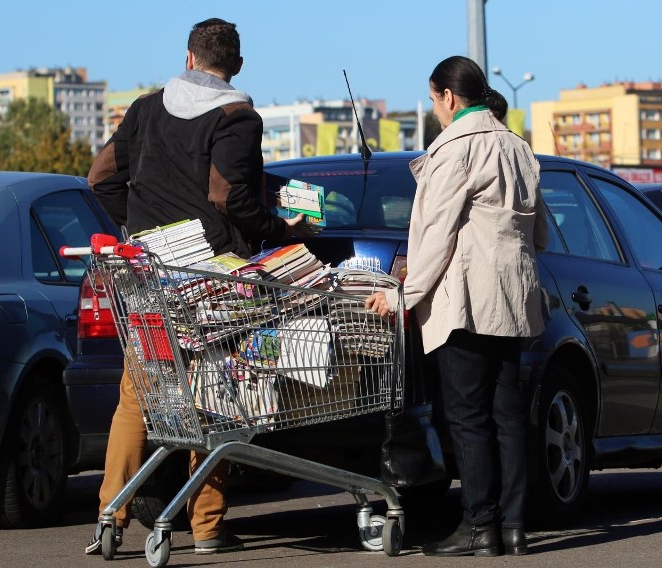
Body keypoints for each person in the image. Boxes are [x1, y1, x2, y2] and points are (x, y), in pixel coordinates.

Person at [85, 17, 311, 556]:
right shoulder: (237, 115)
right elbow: (228, 196)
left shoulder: (144, 108)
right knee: (218, 392)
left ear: (188, 58)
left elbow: (100, 178)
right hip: (213, 274)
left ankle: (109, 515)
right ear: (236, 65)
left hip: (149, 273)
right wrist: (283, 231)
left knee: (139, 391)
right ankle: (207, 525)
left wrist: (137, 228)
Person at [365, 55, 547, 557]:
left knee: (467, 416)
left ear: (448, 96)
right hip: (514, 299)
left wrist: (402, 292)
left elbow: (433, 235)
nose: (433, 111)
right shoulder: (518, 148)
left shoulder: (455, 149)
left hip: (465, 300)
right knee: (507, 414)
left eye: (432, 100)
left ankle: (478, 524)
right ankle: (513, 526)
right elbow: (543, 232)